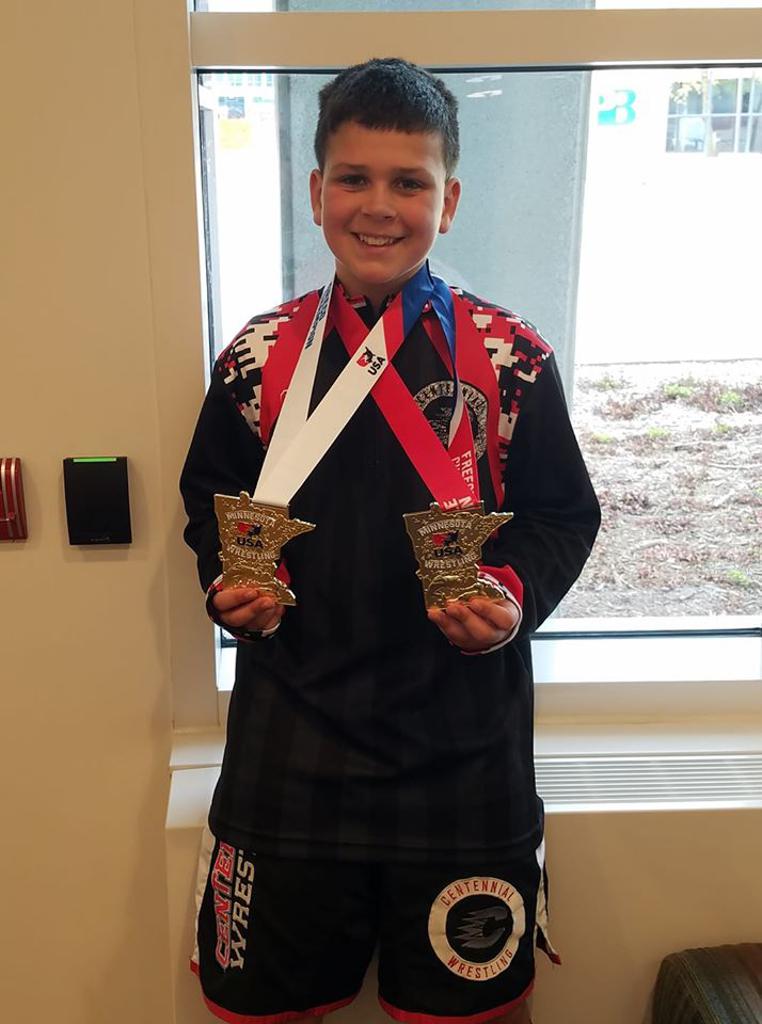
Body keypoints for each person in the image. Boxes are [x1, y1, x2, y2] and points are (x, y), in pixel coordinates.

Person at [181, 57, 600, 1024]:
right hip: (287, 763)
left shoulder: (511, 356)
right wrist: (229, 585)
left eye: (409, 181)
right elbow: (211, 499)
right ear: (316, 192)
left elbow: (562, 515)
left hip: (466, 765)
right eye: (355, 179)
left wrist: (511, 598)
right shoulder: (257, 357)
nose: (379, 206)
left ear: (447, 201)